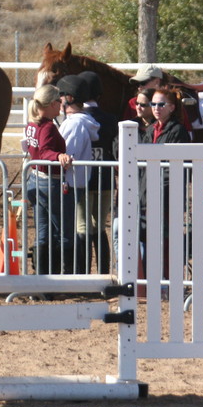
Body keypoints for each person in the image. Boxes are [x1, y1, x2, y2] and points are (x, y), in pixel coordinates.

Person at [138, 88, 190, 280]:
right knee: (147, 240)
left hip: (167, 198)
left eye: (161, 104)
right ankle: (150, 281)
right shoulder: (150, 130)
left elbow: (173, 169)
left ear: (172, 108)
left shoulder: (178, 131)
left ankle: (169, 281)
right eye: (153, 104)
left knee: (167, 242)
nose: (156, 108)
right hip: (146, 196)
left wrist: (156, 190)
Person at [22, 84, 73, 275]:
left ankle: (42, 280)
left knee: (43, 232)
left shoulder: (32, 125)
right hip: (50, 181)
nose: (61, 104)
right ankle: (65, 278)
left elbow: (34, 149)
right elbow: (45, 151)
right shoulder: (48, 127)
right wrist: (58, 156)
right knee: (63, 232)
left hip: (35, 178)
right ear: (52, 104)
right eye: (59, 101)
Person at [56, 75, 99, 274]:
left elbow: (67, 154)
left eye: (60, 97)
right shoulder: (77, 122)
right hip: (73, 183)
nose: (58, 102)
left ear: (69, 98)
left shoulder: (74, 124)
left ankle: (72, 273)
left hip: (69, 184)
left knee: (67, 230)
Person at [79, 70, 117, 274]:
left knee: (83, 227)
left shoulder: (76, 119)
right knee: (100, 227)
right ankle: (103, 272)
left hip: (83, 180)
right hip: (105, 181)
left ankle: (84, 274)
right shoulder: (111, 119)